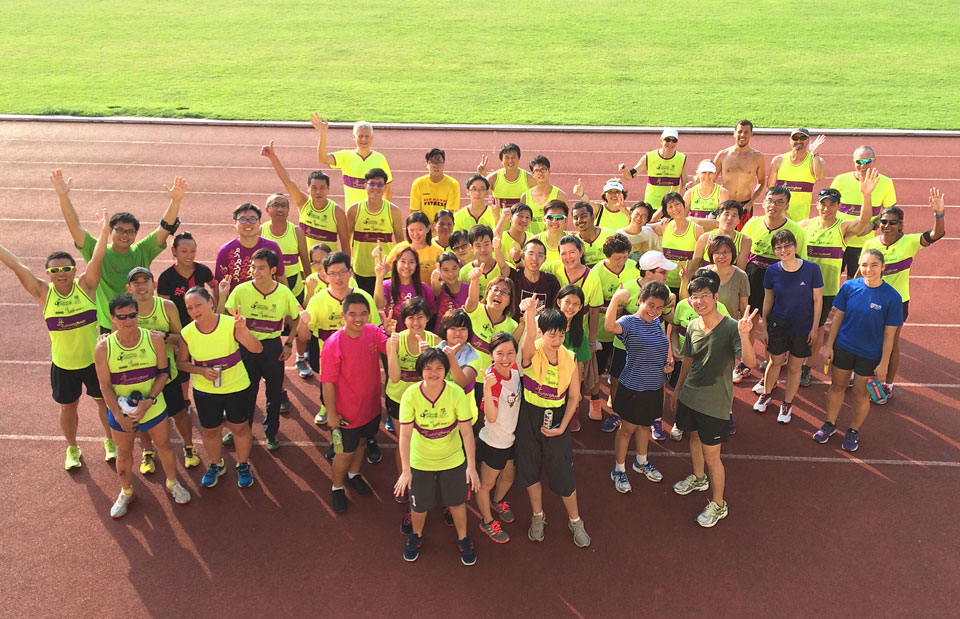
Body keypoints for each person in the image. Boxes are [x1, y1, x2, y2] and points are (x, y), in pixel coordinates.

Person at [0, 209, 112, 468]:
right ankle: (72, 449)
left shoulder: (86, 287)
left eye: (67, 268)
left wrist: (104, 232)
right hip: (63, 365)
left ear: (74, 270)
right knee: (68, 408)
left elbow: (97, 258)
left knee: (103, 403)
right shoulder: (42, 292)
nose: (61, 273)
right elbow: (17, 265)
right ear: (48, 274)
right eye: (55, 270)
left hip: (94, 362)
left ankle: (110, 441)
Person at [671, 274, 759, 528]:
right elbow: (687, 360)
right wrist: (677, 391)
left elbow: (750, 363)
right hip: (690, 395)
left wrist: (745, 335)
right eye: (695, 296)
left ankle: (719, 504)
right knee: (694, 437)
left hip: (715, 403)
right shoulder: (693, 326)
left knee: (713, 456)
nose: (699, 301)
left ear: (716, 297)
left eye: (705, 295)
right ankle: (699, 478)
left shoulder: (732, 327)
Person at [52, 169, 186, 331]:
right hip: (108, 327)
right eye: (120, 230)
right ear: (109, 231)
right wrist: (63, 196)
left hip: (140, 325)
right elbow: (75, 227)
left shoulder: (142, 250)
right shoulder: (98, 251)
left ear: (136, 235)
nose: (125, 235)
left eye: (130, 232)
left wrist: (176, 201)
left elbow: (164, 228)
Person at [95, 294, 191, 518]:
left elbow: (163, 373)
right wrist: (118, 416)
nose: (128, 320)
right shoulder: (103, 348)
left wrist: (150, 401)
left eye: (132, 315)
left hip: (153, 406)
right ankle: (126, 492)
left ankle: (172, 483)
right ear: (112, 317)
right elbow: (105, 386)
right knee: (124, 452)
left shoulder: (155, 340)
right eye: (122, 317)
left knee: (164, 445)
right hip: (121, 415)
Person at [395, 347, 480, 565]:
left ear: (446, 370)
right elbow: (404, 436)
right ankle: (416, 535)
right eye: (428, 368)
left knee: (457, 503)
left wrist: (471, 466)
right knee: (419, 505)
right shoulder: (410, 395)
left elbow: (466, 431)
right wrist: (406, 471)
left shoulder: (456, 393)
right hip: (420, 460)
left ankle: (463, 538)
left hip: (452, 459)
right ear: (420, 371)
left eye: (439, 368)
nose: (434, 373)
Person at [516, 300, 590, 547]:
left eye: (561, 333)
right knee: (530, 467)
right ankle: (538, 516)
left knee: (563, 472)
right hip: (529, 416)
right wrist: (529, 313)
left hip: (557, 418)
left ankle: (575, 519)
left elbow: (574, 397)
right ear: (541, 333)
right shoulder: (532, 351)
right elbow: (526, 342)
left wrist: (562, 426)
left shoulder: (569, 357)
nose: (557, 339)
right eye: (551, 334)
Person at [813, 250, 903, 452]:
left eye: (874, 265)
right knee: (837, 387)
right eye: (864, 265)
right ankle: (829, 424)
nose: (868, 269)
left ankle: (853, 430)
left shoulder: (892, 298)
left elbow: (890, 336)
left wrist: (884, 363)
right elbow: (837, 318)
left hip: (870, 355)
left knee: (861, 396)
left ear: (883, 267)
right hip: (844, 348)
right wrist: (829, 346)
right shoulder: (849, 287)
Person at [860, 189, 946, 399]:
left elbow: (936, 235)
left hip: (896, 303)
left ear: (900, 224)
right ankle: (864, 375)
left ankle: (888, 383)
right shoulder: (870, 243)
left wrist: (939, 215)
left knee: (892, 343)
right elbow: (859, 271)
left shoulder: (909, 242)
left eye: (892, 222)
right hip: (870, 299)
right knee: (867, 339)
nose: (886, 226)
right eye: (883, 222)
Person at [798, 171, 879, 385]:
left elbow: (862, 223)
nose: (827, 208)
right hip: (803, 287)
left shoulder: (842, 227)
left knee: (817, 329)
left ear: (838, 206)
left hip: (826, 290)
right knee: (798, 326)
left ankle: (807, 366)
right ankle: (793, 360)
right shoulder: (805, 226)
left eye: (831, 204)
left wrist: (866, 195)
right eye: (823, 204)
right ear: (817, 205)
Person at [177, 286, 262, 489]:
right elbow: (181, 363)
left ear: (211, 302)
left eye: (199, 305)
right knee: (210, 431)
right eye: (190, 308)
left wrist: (243, 330)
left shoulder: (230, 324)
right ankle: (216, 465)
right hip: (206, 391)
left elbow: (257, 348)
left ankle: (243, 465)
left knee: (240, 428)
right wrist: (201, 371)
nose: (195, 311)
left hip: (237, 386)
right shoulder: (187, 333)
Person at [300, 251, 380, 456]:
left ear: (351, 272)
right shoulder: (317, 301)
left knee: (367, 401)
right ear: (325, 275)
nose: (338, 277)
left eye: (343, 272)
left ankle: (369, 439)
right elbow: (304, 335)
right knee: (332, 400)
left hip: (361, 364)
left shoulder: (364, 298)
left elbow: (376, 332)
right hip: (331, 364)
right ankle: (337, 439)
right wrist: (302, 322)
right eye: (332, 273)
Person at [222, 249, 301, 451]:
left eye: (262, 268)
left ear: (273, 270)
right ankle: (241, 430)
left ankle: (271, 432)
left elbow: (296, 318)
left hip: (272, 347)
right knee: (245, 391)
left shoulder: (284, 292)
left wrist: (289, 343)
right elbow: (225, 314)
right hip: (246, 346)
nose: (256, 272)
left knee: (274, 393)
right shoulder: (240, 290)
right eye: (254, 267)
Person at [320, 293, 389, 512]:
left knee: (361, 443)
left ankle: (353, 474)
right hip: (346, 414)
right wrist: (331, 414)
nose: (358, 319)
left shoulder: (374, 333)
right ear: (343, 315)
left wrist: (395, 334)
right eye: (352, 314)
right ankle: (337, 487)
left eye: (363, 314)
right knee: (344, 452)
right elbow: (328, 383)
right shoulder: (333, 344)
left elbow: (392, 348)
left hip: (369, 408)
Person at [126, 267, 197, 470]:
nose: (141, 286)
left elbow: (181, 337)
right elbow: (116, 339)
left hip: (167, 373)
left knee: (179, 413)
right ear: (129, 288)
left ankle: (189, 447)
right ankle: (147, 453)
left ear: (154, 285)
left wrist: (162, 336)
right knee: (141, 416)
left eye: (145, 281)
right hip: (138, 375)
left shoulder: (167, 307)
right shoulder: (125, 311)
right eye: (136, 283)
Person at [605, 281, 673, 493]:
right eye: (650, 305)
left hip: (654, 387)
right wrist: (616, 299)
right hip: (632, 387)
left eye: (659, 307)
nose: (654, 311)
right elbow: (609, 327)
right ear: (640, 301)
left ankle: (641, 462)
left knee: (645, 426)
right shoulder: (628, 322)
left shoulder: (655, 324)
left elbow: (657, 350)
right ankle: (619, 468)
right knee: (627, 430)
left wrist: (666, 366)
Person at [753, 230, 824, 423]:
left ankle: (787, 403)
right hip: (778, 324)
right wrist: (765, 326)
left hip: (802, 326)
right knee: (774, 362)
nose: (783, 250)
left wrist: (815, 327)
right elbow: (768, 300)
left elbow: (818, 300)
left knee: (794, 368)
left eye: (787, 245)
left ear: (795, 246)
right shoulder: (772, 271)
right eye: (779, 247)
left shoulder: (811, 269)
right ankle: (767, 394)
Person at [605, 251, 678, 434]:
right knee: (616, 379)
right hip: (624, 345)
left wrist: (671, 306)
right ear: (648, 272)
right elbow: (614, 319)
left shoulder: (666, 290)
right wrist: (618, 301)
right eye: (662, 272)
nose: (666, 276)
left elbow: (670, 318)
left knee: (657, 382)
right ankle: (616, 413)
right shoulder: (628, 288)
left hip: (652, 346)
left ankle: (656, 418)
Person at [740, 186, 809, 369]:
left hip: (779, 279)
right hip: (753, 275)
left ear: (787, 205)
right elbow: (742, 253)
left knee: (774, 325)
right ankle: (746, 362)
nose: (774, 205)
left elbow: (800, 261)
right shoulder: (753, 224)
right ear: (764, 202)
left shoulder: (796, 230)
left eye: (780, 202)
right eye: (770, 200)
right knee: (751, 319)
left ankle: (773, 360)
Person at [386, 298, 441, 502]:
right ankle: (405, 480)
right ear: (404, 320)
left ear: (427, 319)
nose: (415, 322)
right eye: (410, 318)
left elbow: (434, 377)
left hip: (424, 399)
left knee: (426, 440)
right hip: (398, 398)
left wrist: (424, 356)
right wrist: (391, 350)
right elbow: (393, 376)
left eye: (420, 317)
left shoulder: (434, 341)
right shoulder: (395, 340)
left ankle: (429, 478)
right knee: (404, 442)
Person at [583, 234, 639, 422]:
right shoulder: (596, 272)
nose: (622, 262)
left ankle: (614, 397)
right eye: (617, 258)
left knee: (619, 369)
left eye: (625, 257)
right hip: (601, 330)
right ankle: (595, 399)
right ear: (607, 256)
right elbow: (592, 305)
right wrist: (613, 307)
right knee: (597, 369)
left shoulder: (633, 268)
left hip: (624, 332)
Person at [260, 140, 350, 252]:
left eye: (322, 188)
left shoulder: (337, 212)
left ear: (328, 189)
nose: (318, 192)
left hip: (326, 267)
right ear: (307, 188)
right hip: (305, 266)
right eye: (314, 188)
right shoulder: (303, 203)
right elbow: (287, 180)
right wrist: (273, 157)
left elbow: (345, 242)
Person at [477, 332, 522, 543]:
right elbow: (492, 418)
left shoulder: (514, 371)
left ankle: (498, 502)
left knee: (508, 477)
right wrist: (487, 386)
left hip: (510, 439)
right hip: (494, 443)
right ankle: (486, 521)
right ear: (491, 355)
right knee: (486, 485)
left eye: (510, 353)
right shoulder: (492, 380)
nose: (505, 358)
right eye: (500, 354)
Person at [832, 146, 898, 279]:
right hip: (837, 241)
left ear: (875, 161)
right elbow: (828, 208)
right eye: (859, 162)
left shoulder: (886, 183)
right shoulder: (840, 180)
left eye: (867, 161)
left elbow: (890, 213)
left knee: (856, 284)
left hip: (863, 244)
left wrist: (873, 225)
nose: (863, 166)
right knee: (830, 282)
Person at [696, 236, 750, 389]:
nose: (722, 256)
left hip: (727, 331)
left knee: (723, 374)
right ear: (711, 254)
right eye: (717, 252)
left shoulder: (741, 276)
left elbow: (744, 306)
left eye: (726, 252)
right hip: (704, 329)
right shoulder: (702, 273)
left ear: (733, 254)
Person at [345, 168, 404, 295]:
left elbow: (400, 243)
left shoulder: (393, 211)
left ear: (385, 188)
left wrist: (396, 267)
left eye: (380, 184)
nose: (375, 188)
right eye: (372, 184)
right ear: (365, 186)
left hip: (385, 271)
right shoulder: (354, 210)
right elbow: (346, 239)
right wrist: (347, 264)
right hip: (361, 271)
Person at [312, 114, 393, 205]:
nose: (363, 139)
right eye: (360, 136)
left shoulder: (380, 159)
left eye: (367, 136)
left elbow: (387, 188)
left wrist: (388, 211)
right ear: (354, 137)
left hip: (375, 214)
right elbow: (323, 159)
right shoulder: (345, 156)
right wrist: (323, 134)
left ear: (372, 137)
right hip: (352, 215)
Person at [214, 203, 285, 294]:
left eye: (253, 219)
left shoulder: (272, 247)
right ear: (234, 223)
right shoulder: (225, 251)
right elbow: (219, 286)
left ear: (260, 222)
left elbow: (281, 279)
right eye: (242, 219)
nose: (248, 223)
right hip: (237, 305)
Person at [464, 271, 522, 375]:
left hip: (492, 380)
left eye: (504, 292)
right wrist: (475, 279)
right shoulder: (476, 310)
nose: (498, 294)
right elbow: (472, 300)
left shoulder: (513, 326)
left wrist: (525, 322)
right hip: (466, 376)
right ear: (487, 294)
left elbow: (512, 350)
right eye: (495, 289)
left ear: (509, 301)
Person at [648, 192, 704, 296]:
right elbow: (641, 226)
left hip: (688, 284)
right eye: (670, 206)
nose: (675, 209)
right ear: (666, 211)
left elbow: (700, 258)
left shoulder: (697, 229)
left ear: (684, 205)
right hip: (666, 284)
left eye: (677, 204)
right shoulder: (664, 226)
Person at [712, 120, 767, 226]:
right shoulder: (723, 155)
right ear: (734, 133)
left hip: (745, 205)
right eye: (740, 131)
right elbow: (710, 178)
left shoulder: (758, 157)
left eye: (746, 132)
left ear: (751, 134)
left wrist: (751, 202)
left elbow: (761, 182)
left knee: (743, 238)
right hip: (725, 204)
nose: (742, 135)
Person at [259, 193, 311, 301]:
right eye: (275, 205)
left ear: (288, 210)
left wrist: (309, 285)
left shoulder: (297, 232)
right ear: (267, 209)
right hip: (269, 285)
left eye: (283, 206)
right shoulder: (261, 231)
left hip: (295, 286)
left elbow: (305, 261)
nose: (280, 209)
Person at [157, 232, 215, 328]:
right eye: (184, 251)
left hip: (204, 325)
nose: (189, 256)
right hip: (180, 329)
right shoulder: (166, 278)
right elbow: (164, 308)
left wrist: (214, 307)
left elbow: (214, 285)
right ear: (174, 251)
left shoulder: (203, 270)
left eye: (193, 251)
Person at [768, 128, 826, 222]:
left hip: (801, 219)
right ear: (790, 140)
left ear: (808, 140)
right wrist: (782, 213)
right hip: (779, 216)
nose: (799, 141)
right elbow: (770, 189)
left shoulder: (815, 161)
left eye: (803, 138)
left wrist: (815, 154)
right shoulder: (778, 160)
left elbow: (819, 176)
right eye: (795, 138)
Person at [619, 128, 688, 208]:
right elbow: (630, 176)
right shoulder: (649, 157)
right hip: (652, 204)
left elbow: (685, 183)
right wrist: (624, 171)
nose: (670, 143)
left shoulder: (682, 158)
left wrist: (688, 186)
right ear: (661, 140)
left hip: (672, 204)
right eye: (667, 140)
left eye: (674, 140)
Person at [499, 238, 560, 318]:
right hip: (517, 328)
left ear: (544, 259)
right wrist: (497, 248)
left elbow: (557, 308)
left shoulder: (551, 281)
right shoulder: (516, 276)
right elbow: (502, 265)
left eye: (540, 255)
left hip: (540, 329)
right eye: (530, 254)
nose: (535, 258)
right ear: (523, 256)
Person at [375, 244, 435, 324]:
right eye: (403, 261)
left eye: (411, 262)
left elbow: (431, 311)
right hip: (391, 334)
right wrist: (379, 277)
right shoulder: (386, 285)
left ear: (416, 265)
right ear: (396, 263)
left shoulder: (423, 288)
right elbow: (379, 305)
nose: (406, 266)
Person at [688, 201, 751, 274]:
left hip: (730, 283)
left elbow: (740, 272)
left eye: (734, 215)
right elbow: (693, 268)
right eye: (726, 214)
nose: (730, 218)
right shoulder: (704, 238)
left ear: (739, 220)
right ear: (718, 217)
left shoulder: (745, 241)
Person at [386, 212, 444, 283]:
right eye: (412, 230)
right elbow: (385, 268)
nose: (416, 234)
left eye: (420, 230)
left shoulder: (438, 251)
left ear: (428, 228)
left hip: (428, 292)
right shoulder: (400, 248)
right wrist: (378, 260)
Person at [477, 143, 535, 210]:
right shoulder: (493, 178)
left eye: (513, 157)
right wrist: (481, 176)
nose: (510, 161)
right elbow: (479, 194)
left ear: (519, 158)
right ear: (501, 160)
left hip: (521, 220)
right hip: (498, 220)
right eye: (507, 158)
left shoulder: (529, 179)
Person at [519, 155, 567, 235]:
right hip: (532, 242)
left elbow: (564, 224)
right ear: (533, 174)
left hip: (552, 241)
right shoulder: (525, 197)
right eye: (537, 171)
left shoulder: (560, 196)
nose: (540, 173)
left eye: (543, 169)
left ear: (549, 171)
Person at [410, 148, 461, 222]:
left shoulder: (453, 184)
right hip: (424, 229)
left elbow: (449, 213)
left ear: (444, 163)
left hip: (444, 227)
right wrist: (427, 228)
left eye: (439, 162)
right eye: (433, 163)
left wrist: (437, 228)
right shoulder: (418, 184)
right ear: (427, 164)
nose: (436, 166)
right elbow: (414, 212)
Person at [458, 225, 501, 299]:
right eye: (478, 246)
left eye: (486, 244)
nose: (483, 250)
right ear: (471, 247)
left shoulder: (503, 268)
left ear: (492, 244)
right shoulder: (463, 273)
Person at [570, 201, 614, 266]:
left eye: (583, 216)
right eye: (576, 218)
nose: (579, 220)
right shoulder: (574, 243)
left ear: (593, 217)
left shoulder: (610, 235)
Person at [431, 252, 469, 321]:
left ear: (459, 267)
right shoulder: (438, 289)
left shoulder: (469, 289)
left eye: (454, 268)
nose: (451, 273)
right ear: (439, 270)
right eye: (446, 270)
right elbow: (436, 290)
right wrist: (435, 280)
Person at [494, 203, 533, 267]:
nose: (524, 220)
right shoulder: (502, 237)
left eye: (527, 217)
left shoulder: (532, 238)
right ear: (510, 218)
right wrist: (503, 218)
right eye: (520, 216)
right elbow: (495, 239)